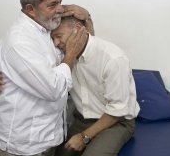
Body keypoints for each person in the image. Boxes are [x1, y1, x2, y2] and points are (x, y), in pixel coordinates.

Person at [0, 0, 90, 156]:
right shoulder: (20, 41)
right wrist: (70, 55)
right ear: (30, 9)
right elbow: (53, 89)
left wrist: (87, 17)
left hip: (46, 136)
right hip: (24, 145)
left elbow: (87, 46)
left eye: (60, 1)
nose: (60, 9)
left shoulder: (46, 27)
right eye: (52, 5)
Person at [51, 16, 140, 156]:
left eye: (58, 36)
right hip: (82, 120)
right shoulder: (62, 56)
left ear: (78, 30)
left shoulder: (112, 58)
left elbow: (118, 110)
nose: (56, 43)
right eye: (52, 38)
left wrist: (84, 137)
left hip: (116, 123)